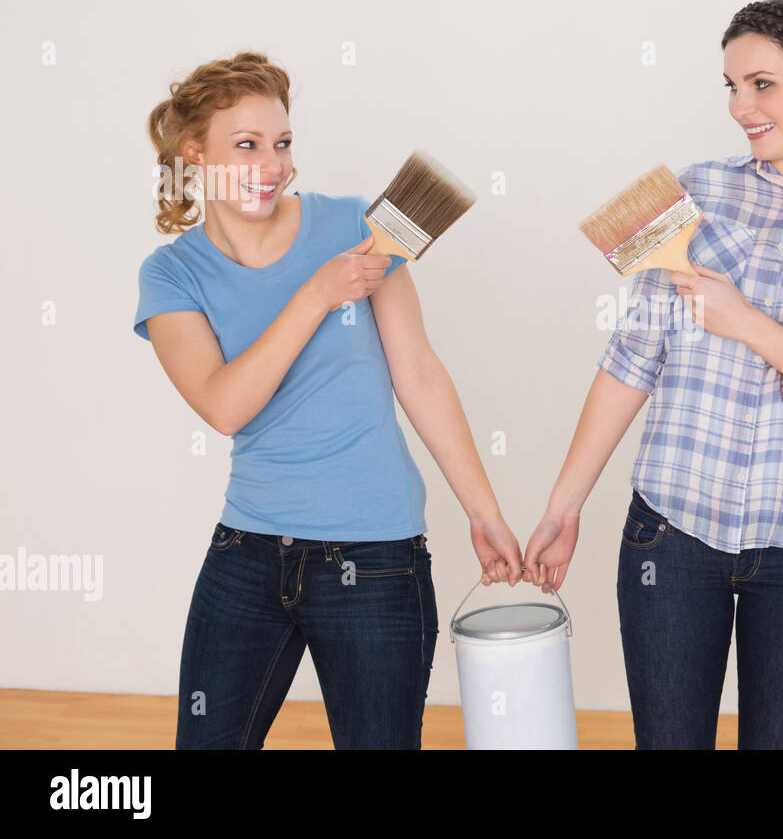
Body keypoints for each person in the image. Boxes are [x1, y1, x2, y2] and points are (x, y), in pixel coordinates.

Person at [522, 0, 783, 749]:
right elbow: (631, 361)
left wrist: (746, 322)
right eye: (730, 86)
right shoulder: (697, 194)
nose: (740, 106)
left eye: (762, 84)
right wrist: (563, 506)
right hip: (670, 541)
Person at [134, 52, 523, 749]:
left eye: (281, 144)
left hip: (376, 558)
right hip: (247, 552)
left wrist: (484, 510)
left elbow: (420, 374)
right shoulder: (171, 275)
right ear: (195, 153)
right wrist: (317, 293)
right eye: (246, 145)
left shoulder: (355, 225)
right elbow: (226, 406)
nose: (272, 165)